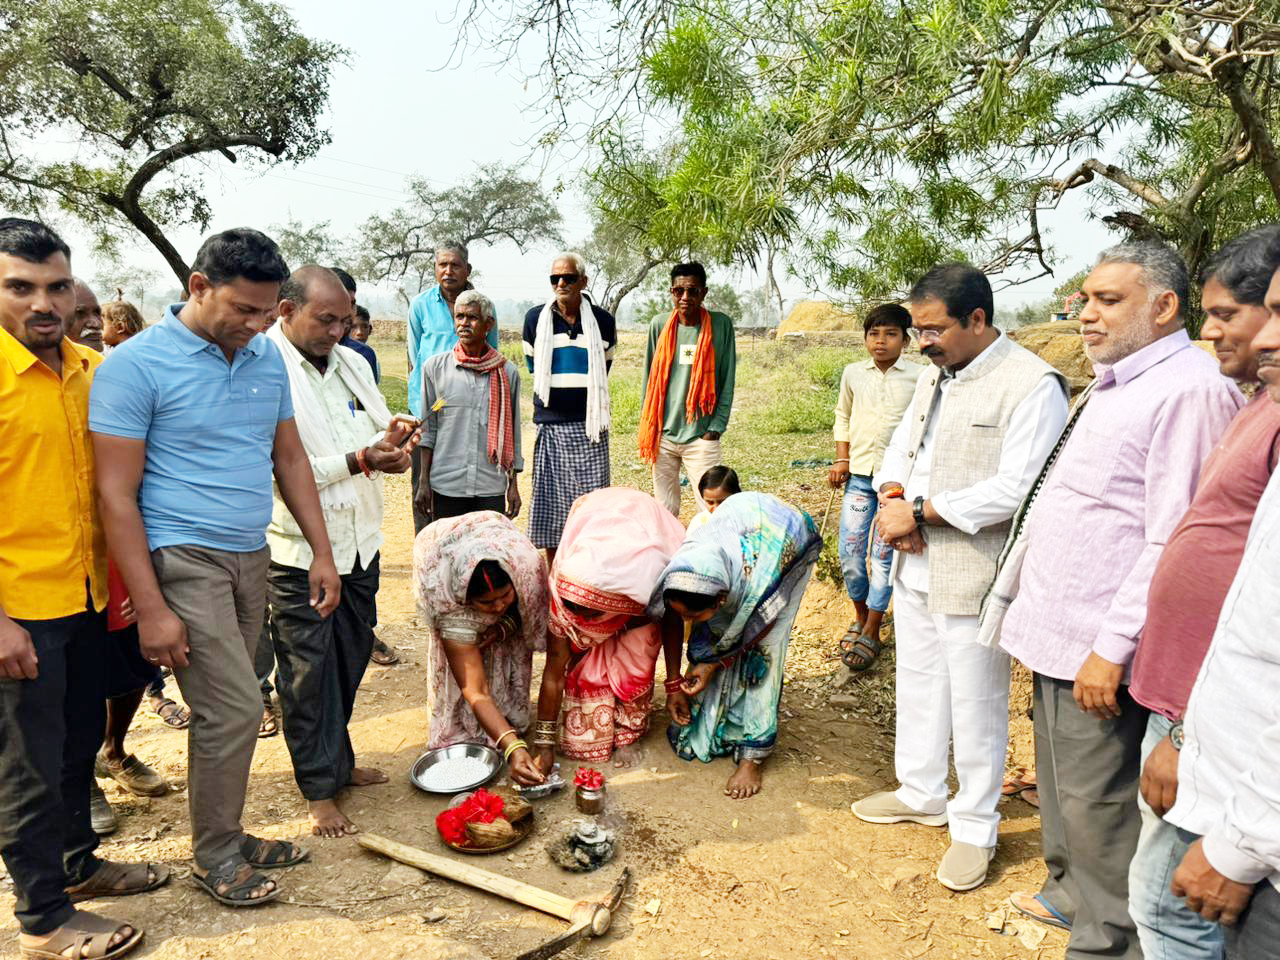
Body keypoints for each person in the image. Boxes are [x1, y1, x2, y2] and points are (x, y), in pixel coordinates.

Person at [996, 242, 1242, 957]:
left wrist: (1112, 648)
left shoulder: (1189, 389)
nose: (1086, 315)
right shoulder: (1117, 383)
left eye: (1108, 300)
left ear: (1164, 306)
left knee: (1101, 816)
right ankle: (1071, 901)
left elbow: (1173, 538)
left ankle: (1106, 943)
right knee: (1068, 805)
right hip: (1055, 636)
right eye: (1084, 299)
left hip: (1100, 653)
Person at [90, 228, 342, 908]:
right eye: (244, 310)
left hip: (250, 553)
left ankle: (227, 832)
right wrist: (151, 607)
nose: (258, 326)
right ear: (197, 288)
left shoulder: (263, 359)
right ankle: (215, 855)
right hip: (181, 555)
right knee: (233, 706)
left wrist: (321, 551)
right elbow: (115, 494)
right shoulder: (133, 366)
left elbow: (288, 458)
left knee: (228, 702)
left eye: (267, 313)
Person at [851, 263, 1069, 893]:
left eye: (933, 329)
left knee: (975, 703)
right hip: (915, 559)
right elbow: (902, 449)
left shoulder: (1031, 384)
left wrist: (921, 512)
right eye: (917, 330)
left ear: (978, 319)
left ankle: (974, 826)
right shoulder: (933, 375)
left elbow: (1020, 486)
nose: (922, 342)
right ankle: (920, 790)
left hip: (976, 570)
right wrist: (896, 501)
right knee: (919, 681)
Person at [0, 218, 164, 960]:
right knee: (26, 768)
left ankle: (77, 866)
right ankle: (41, 921)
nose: (44, 303)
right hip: (20, 612)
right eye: (20, 287)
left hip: (90, 598)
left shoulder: (90, 370)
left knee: (70, 748)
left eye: (56, 286)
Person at [1125, 226, 1280, 960]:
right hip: (1199, 708)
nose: (1207, 331)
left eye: (1227, 316)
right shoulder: (1254, 402)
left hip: (1223, 742)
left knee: (1170, 910)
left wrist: (1183, 731)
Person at [264, 266, 416, 837]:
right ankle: (318, 789)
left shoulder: (352, 362)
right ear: (285, 311)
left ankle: (339, 760)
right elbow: (283, 468)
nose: (336, 331)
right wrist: (361, 460)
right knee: (306, 671)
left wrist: (396, 446)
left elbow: (376, 433)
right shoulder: (265, 367)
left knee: (350, 658)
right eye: (325, 320)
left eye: (344, 320)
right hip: (298, 550)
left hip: (360, 542)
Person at [66, 283, 178, 835]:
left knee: (135, 659)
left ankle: (116, 750)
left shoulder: (106, 372)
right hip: (59, 561)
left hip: (121, 546)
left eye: (94, 313)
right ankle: (79, 774)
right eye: (80, 312)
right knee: (76, 674)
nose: (90, 322)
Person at [649, 492, 821, 799]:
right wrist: (674, 683)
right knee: (710, 637)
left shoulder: (762, 583)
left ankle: (752, 756)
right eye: (682, 613)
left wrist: (715, 663)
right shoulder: (686, 571)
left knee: (763, 656)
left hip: (782, 545)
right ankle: (715, 723)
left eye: (694, 615)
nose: (686, 620)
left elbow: (758, 624)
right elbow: (675, 620)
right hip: (738, 530)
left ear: (722, 599)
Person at [532, 487, 687, 767]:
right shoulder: (564, 596)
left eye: (592, 614)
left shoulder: (646, 582)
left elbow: (671, 619)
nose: (585, 623)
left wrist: (674, 684)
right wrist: (544, 743)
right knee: (582, 734)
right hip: (600, 532)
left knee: (640, 646)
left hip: (639, 538)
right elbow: (554, 671)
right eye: (577, 614)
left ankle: (629, 729)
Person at [414, 511, 548, 787]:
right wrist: (513, 747)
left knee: (505, 647)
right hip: (442, 551)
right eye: (487, 604)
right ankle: (479, 728)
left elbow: (526, 613)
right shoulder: (449, 602)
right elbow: (476, 691)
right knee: (466, 675)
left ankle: (503, 718)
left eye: (505, 597)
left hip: (495, 537)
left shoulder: (524, 568)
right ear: (467, 598)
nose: (498, 607)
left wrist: (505, 625)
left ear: (515, 584)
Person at [828, 303, 922, 671]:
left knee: (884, 557)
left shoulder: (920, 377)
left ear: (906, 340)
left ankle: (872, 628)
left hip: (895, 486)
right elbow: (843, 415)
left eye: (890, 334)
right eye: (874, 334)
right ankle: (859, 614)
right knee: (851, 552)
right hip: (859, 479)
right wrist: (841, 459)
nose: (881, 342)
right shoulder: (853, 373)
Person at [523, 252, 617, 564]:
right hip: (552, 425)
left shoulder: (603, 322)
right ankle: (555, 581)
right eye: (555, 278)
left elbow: (604, 368)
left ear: (583, 282)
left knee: (593, 512)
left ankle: (587, 578)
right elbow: (534, 368)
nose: (561, 283)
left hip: (590, 426)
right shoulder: (535, 320)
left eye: (568, 278)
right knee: (553, 513)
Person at [407, 243, 498, 532]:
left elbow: (491, 356)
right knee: (423, 483)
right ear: (435, 269)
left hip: (471, 408)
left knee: (466, 482)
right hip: (428, 409)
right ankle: (426, 550)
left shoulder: (484, 306)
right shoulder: (420, 305)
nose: (448, 271)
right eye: (442, 265)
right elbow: (414, 357)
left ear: (467, 270)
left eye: (455, 265)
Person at [414, 290, 523, 524]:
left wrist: (513, 486)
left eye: (472, 317)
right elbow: (428, 431)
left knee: (488, 556)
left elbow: (512, 434)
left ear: (488, 324)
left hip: (490, 486)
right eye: (459, 316)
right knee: (450, 555)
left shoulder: (507, 372)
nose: (464, 323)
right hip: (446, 485)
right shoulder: (434, 369)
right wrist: (423, 481)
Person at [639, 262, 737, 517]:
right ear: (671, 292)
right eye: (678, 291)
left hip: (701, 435)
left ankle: (713, 556)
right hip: (664, 435)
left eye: (692, 291)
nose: (685, 298)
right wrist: (651, 426)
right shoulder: (659, 325)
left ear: (703, 292)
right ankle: (671, 557)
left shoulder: (720, 325)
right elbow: (649, 381)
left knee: (712, 509)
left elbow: (727, 379)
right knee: (665, 511)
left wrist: (715, 429)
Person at [328, 268, 379, 383]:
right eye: (337, 303)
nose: (347, 312)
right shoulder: (292, 356)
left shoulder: (362, 355)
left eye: (351, 304)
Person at [686, 465, 741, 535]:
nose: (716, 508)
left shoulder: (744, 520)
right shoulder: (699, 523)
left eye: (722, 502)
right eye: (710, 502)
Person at [350, 304, 380, 381]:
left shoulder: (370, 355)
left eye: (364, 327)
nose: (359, 332)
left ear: (370, 330)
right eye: (353, 327)